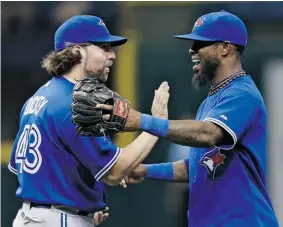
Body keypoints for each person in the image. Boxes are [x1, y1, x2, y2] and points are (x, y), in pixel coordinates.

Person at [94, 11, 280, 226]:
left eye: (200, 44)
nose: (192, 50)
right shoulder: (212, 99)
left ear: (225, 48)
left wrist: (141, 121)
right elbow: (202, 165)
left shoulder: (241, 94)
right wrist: (147, 170)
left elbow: (207, 133)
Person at [8, 15, 169, 227]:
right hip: (58, 219)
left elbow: (26, 168)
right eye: (103, 47)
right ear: (77, 51)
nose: (112, 55)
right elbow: (114, 172)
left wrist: (81, 205)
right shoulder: (74, 104)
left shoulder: (38, 97)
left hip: (34, 217)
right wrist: (155, 124)